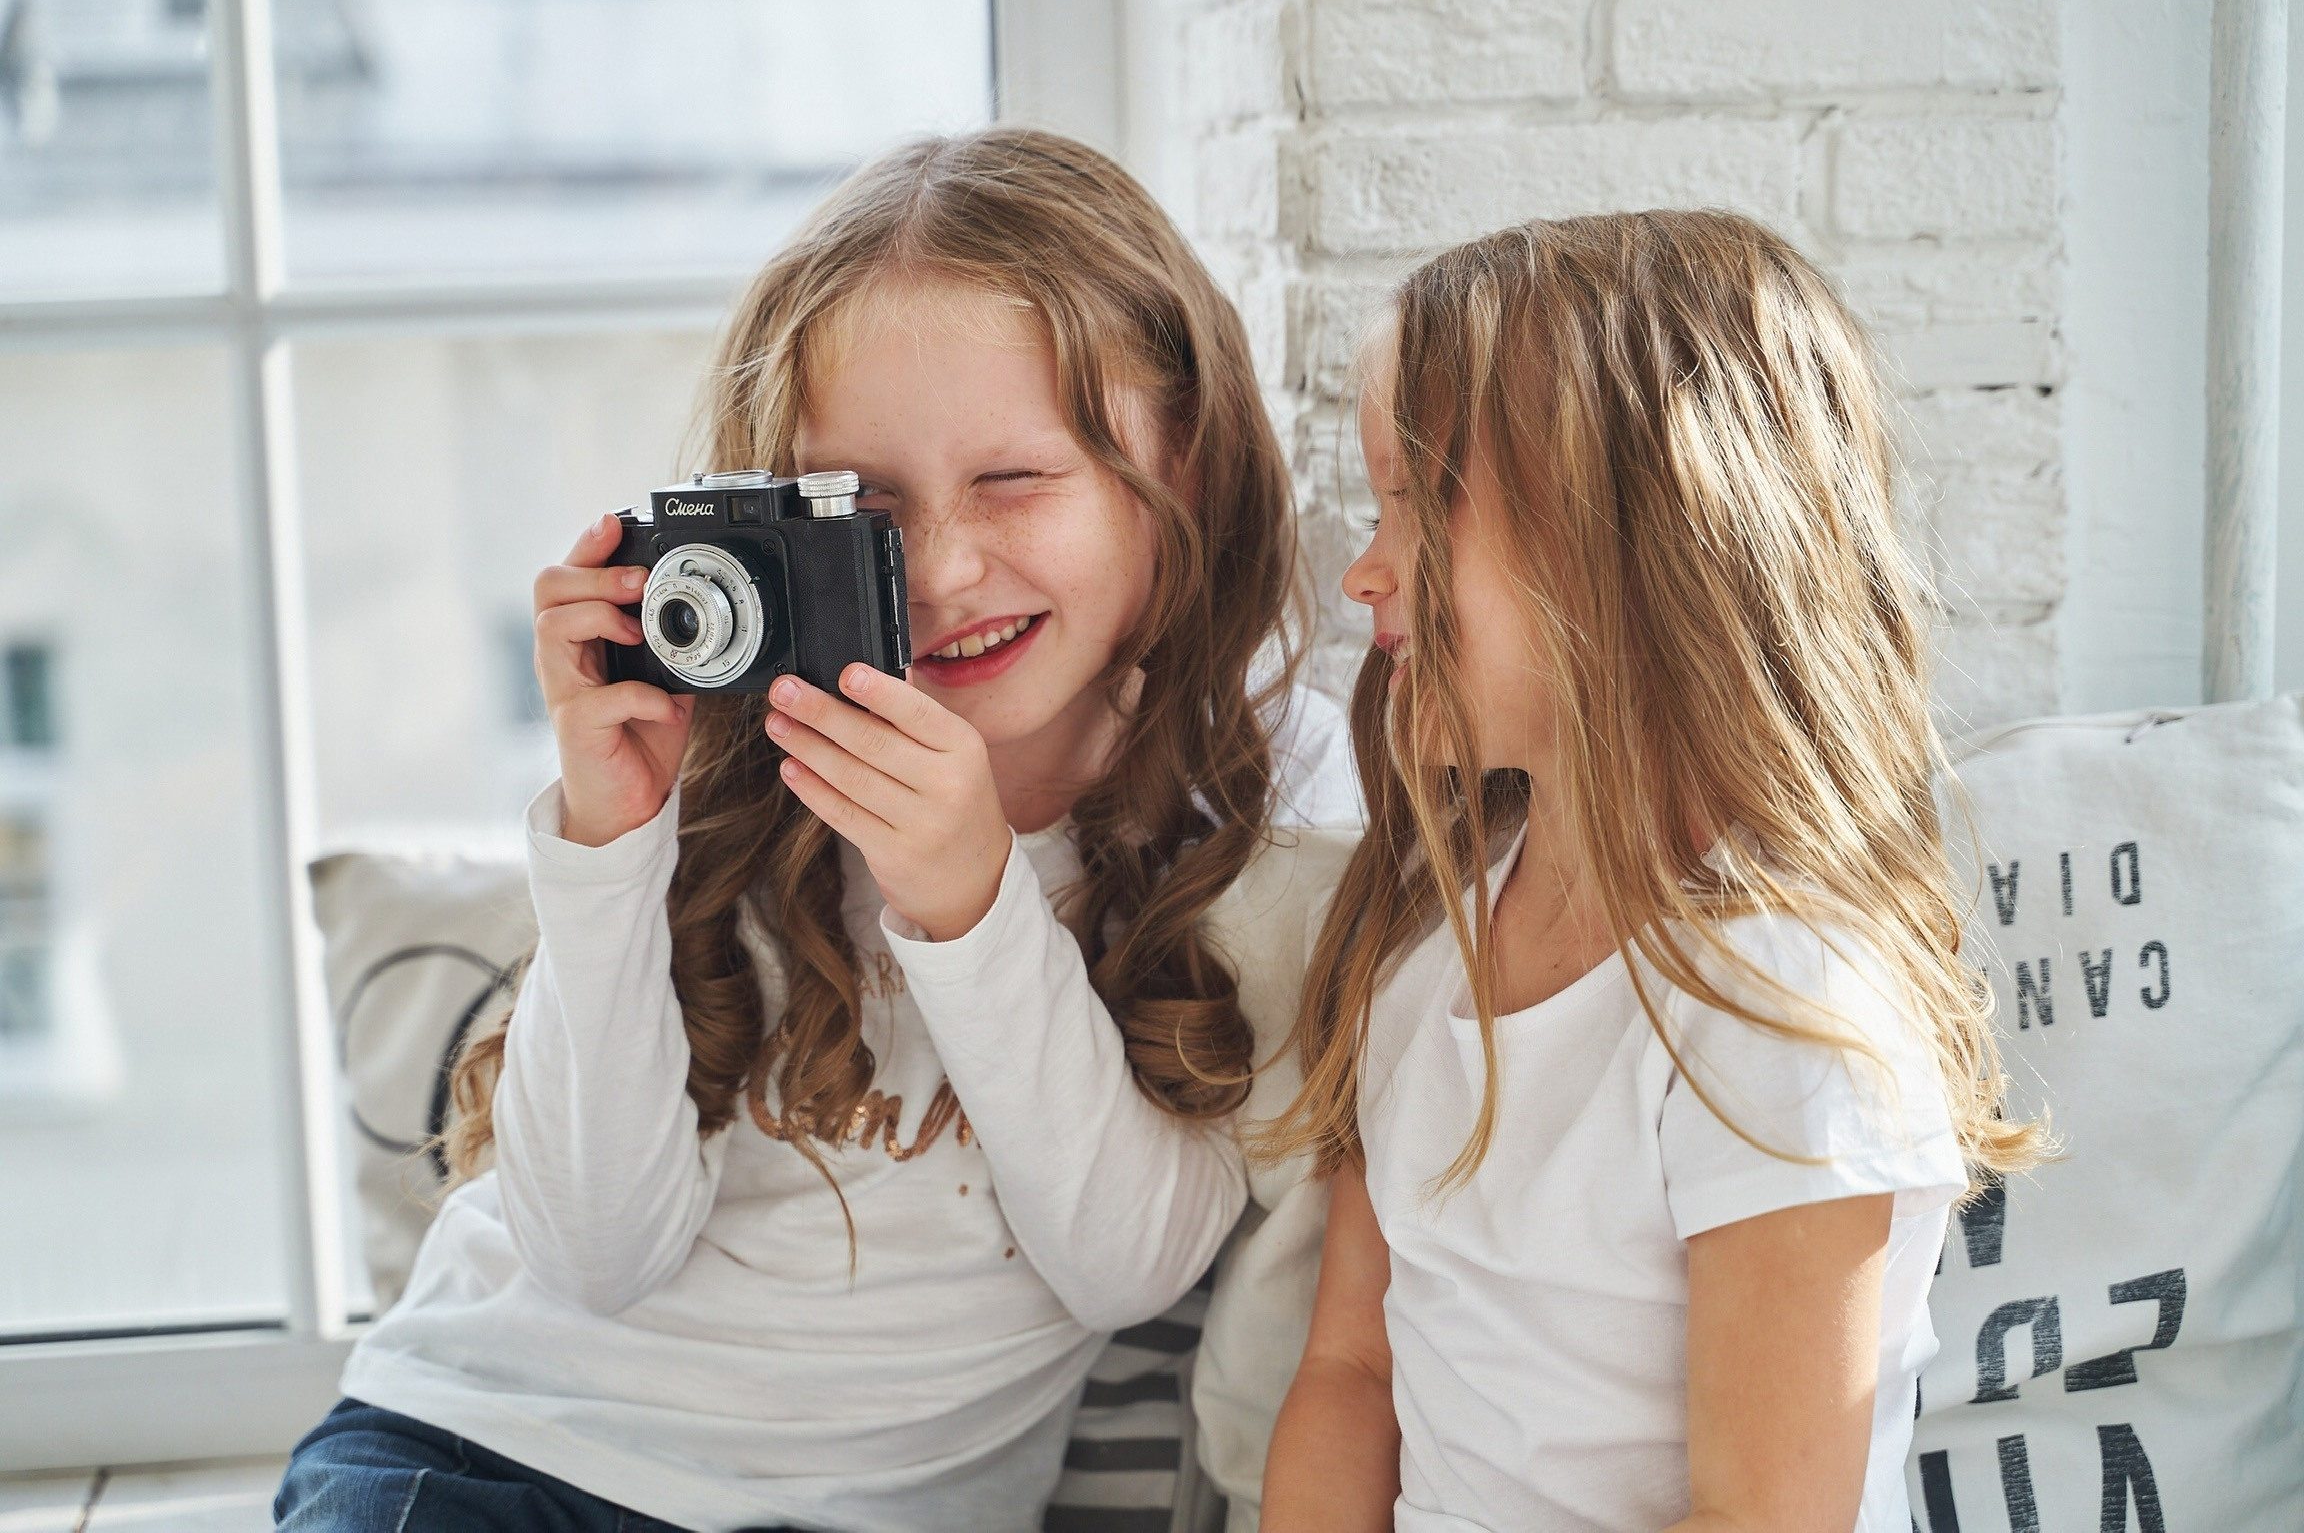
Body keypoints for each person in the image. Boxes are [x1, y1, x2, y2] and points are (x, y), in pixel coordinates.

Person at [275, 127, 1358, 1533]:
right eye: (863, 507)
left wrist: (973, 909)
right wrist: (611, 845)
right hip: (491, 1451)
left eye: (1015, 481)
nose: (944, 568)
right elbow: (591, 1254)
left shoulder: (1259, 803)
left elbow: (1128, 1271)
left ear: (1186, 469)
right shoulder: (735, 765)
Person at [1254, 210, 2043, 1533]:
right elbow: (1350, 1372)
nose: (1363, 571)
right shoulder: (1429, 930)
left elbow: (1759, 1521)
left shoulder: (1779, 1010)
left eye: (1416, 502)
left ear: (1633, 549)